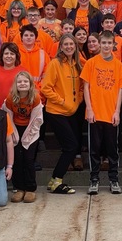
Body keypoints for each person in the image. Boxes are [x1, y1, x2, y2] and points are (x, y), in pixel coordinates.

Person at [81, 32, 122, 195]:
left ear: (113, 45)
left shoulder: (118, 65)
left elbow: (120, 90)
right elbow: (86, 87)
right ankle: (94, 180)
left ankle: (114, 180)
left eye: (109, 43)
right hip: (95, 114)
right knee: (95, 149)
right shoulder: (91, 63)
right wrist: (90, 109)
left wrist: (117, 112)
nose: (106, 46)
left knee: (112, 150)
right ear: (99, 44)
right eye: (104, 43)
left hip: (111, 114)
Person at [40, 34, 83, 194]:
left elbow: (80, 87)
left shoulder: (77, 64)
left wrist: (76, 102)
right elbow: (46, 88)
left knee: (72, 146)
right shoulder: (55, 64)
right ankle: (57, 180)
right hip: (56, 111)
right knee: (71, 146)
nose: (69, 47)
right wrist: (63, 102)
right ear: (61, 47)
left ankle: (54, 181)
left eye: (71, 44)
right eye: (65, 44)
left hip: (72, 112)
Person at [4, 70, 44, 203]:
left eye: (25, 81)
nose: (22, 84)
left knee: (28, 159)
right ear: (16, 84)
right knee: (17, 159)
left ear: (30, 84)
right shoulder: (10, 98)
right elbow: (7, 118)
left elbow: (37, 120)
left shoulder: (35, 98)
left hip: (31, 130)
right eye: (19, 81)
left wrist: (26, 138)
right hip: (15, 129)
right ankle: (19, 188)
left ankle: (30, 189)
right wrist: (14, 135)